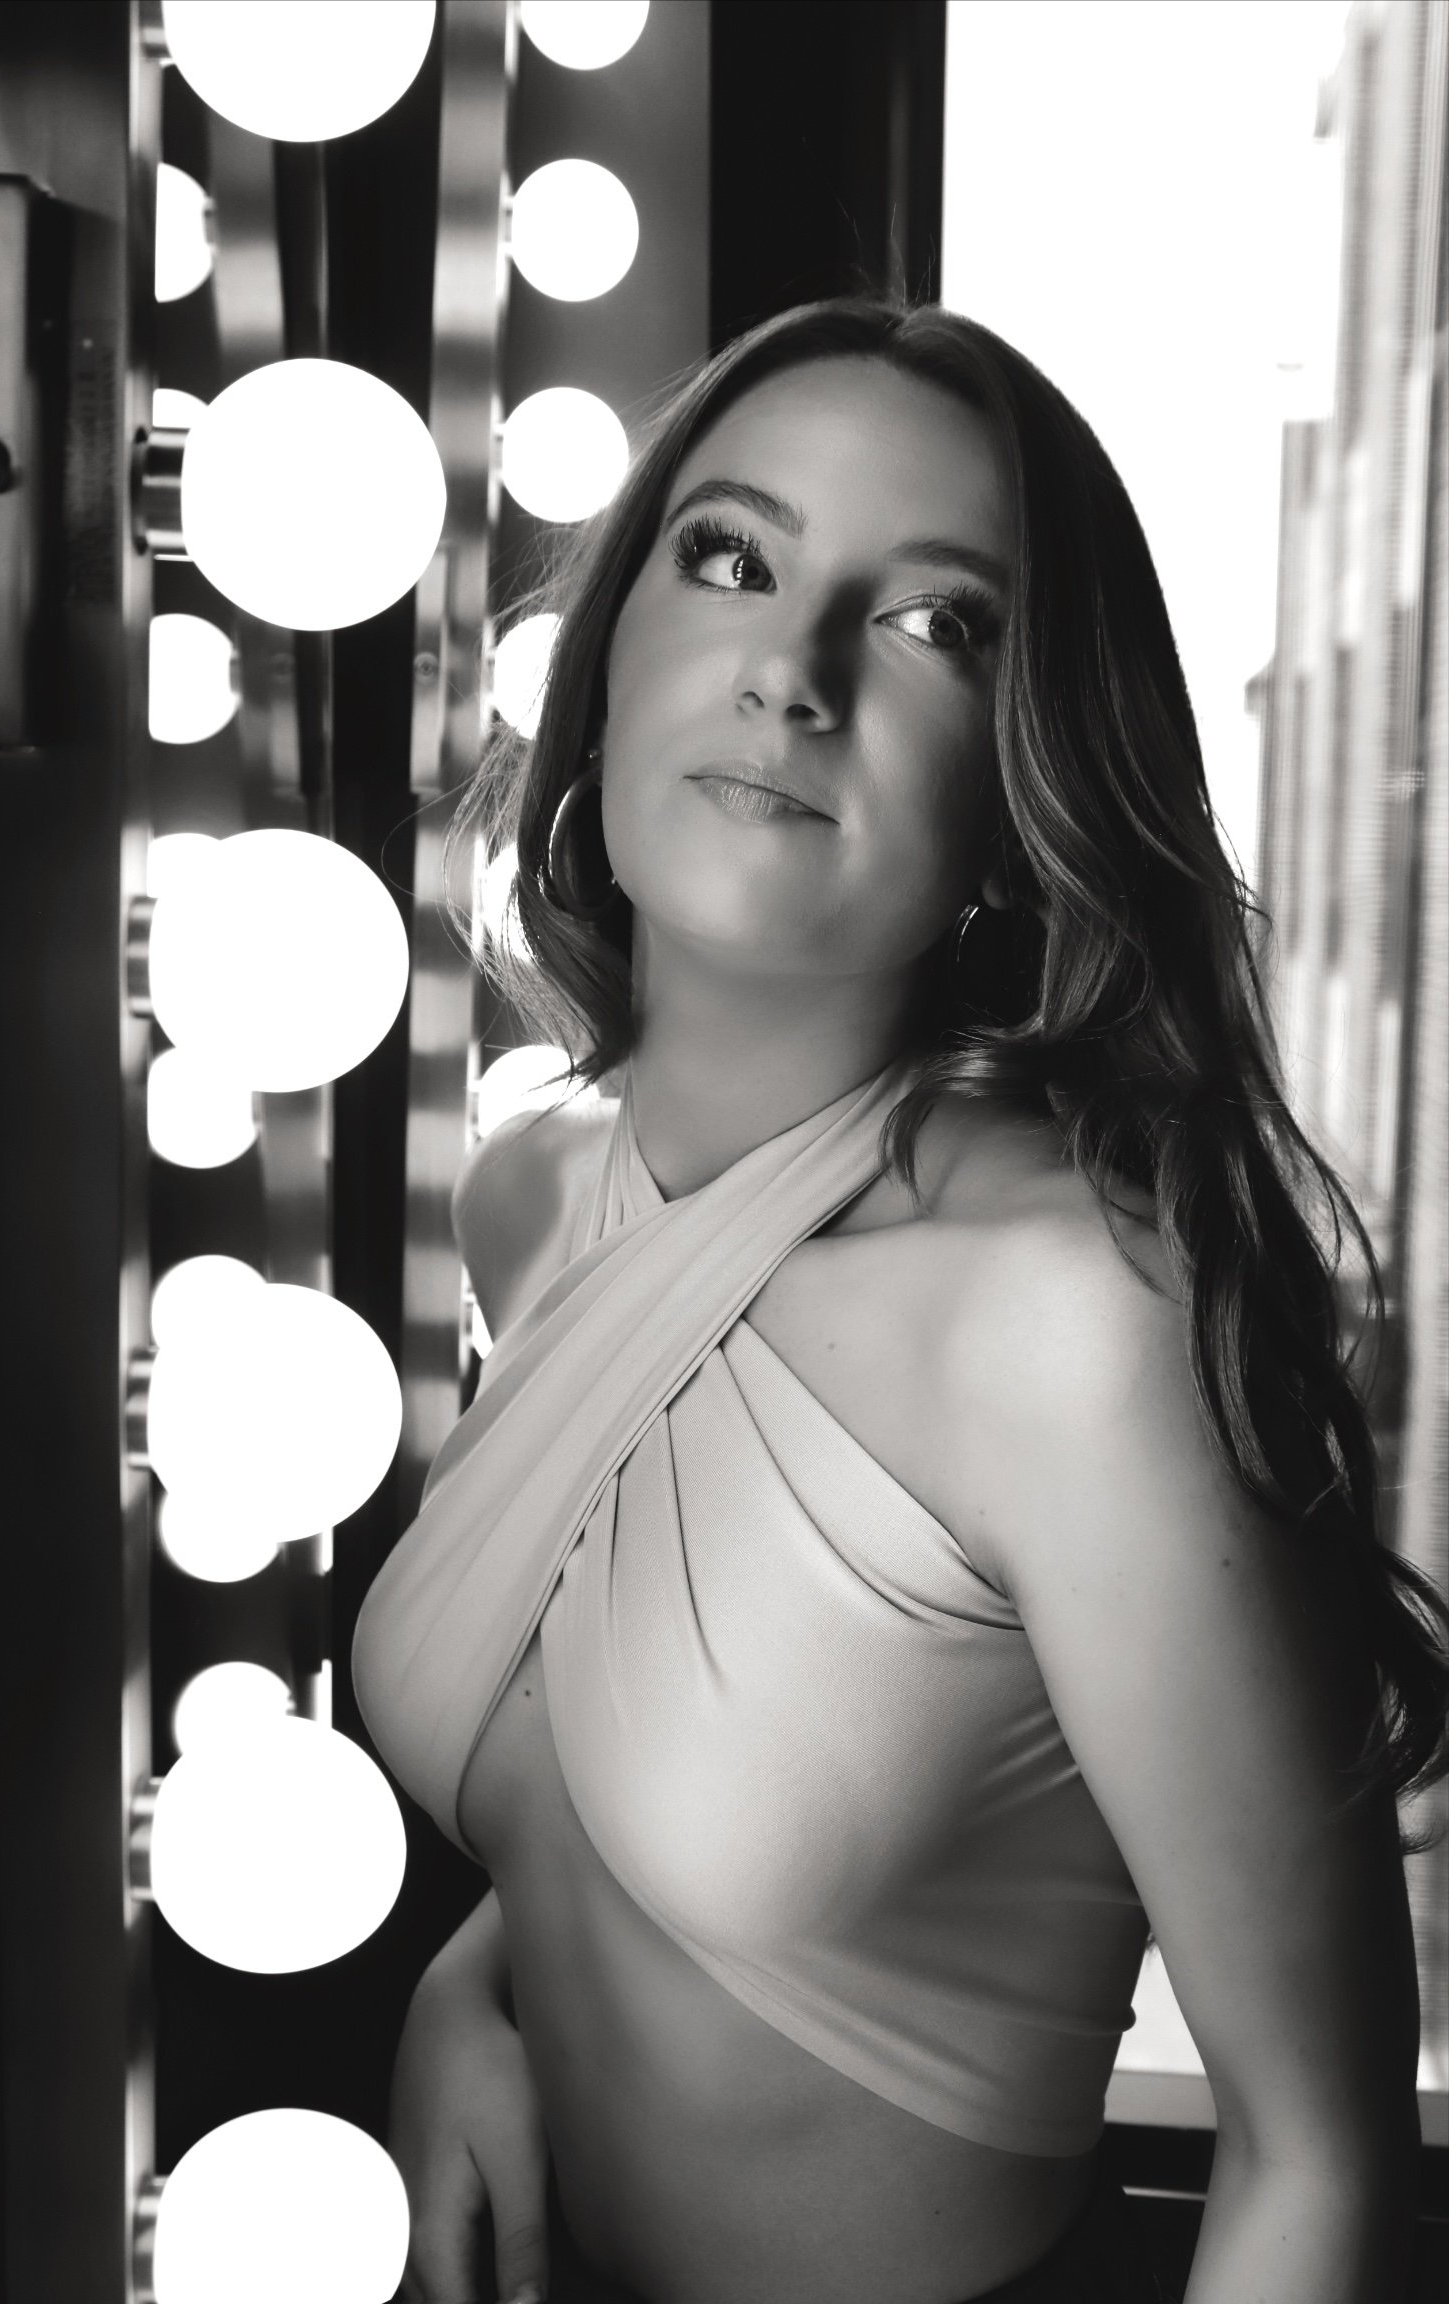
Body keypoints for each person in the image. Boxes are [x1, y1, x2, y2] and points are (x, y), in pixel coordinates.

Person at [352, 298, 1449, 2304]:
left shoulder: (1073, 1329)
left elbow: (1323, 2151)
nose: (793, 669)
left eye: (937, 621)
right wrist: (474, 1994)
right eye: (730, 556)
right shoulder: (537, 1199)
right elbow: (696, 1783)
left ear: (1025, 799)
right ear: (606, 668)